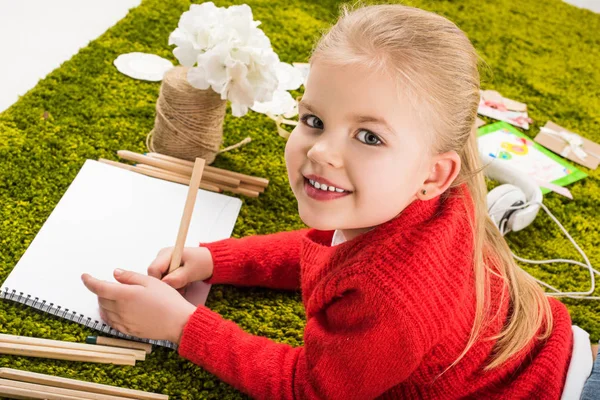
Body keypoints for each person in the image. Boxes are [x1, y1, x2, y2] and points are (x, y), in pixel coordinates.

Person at [82, 4, 587, 399]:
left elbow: (309, 388)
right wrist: (218, 259)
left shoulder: (390, 296)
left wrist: (183, 326)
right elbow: (323, 246)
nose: (321, 151)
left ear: (434, 174)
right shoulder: (413, 203)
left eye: (368, 137)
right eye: (314, 120)